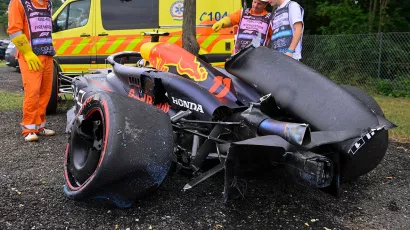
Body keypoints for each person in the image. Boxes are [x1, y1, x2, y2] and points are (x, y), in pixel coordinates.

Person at [7, 0, 56, 142]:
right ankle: (28, 128)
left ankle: (39, 125)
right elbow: (14, 30)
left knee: (45, 91)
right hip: (30, 56)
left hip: (47, 54)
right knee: (33, 91)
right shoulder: (19, 2)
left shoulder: (48, 3)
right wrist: (27, 53)